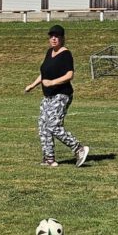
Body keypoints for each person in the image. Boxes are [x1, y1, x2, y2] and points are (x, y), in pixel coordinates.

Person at [23, 24, 89, 168]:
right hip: (48, 96)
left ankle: (78, 148)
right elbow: (44, 74)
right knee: (43, 126)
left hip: (61, 94)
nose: (54, 39)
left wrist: (52, 82)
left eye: (57, 36)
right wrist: (33, 85)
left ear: (62, 38)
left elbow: (69, 75)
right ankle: (49, 159)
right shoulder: (49, 52)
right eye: (51, 36)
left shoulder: (66, 54)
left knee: (53, 125)